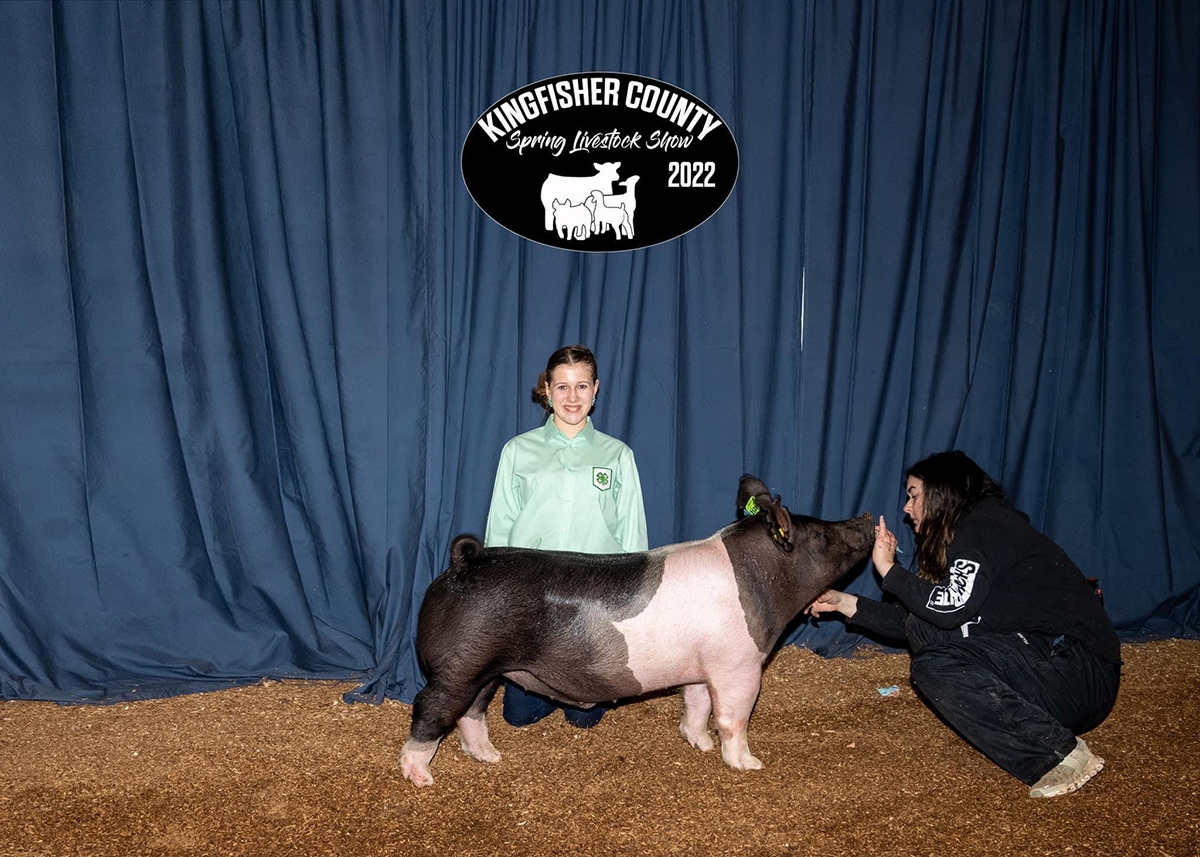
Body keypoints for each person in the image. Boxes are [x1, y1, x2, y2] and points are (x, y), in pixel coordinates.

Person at [807, 450, 1121, 798]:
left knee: (934, 665)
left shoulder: (986, 525)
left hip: (1077, 669)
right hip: (1051, 676)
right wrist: (842, 603)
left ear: (943, 492)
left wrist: (889, 571)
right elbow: (918, 621)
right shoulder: (974, 534)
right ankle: (1037, 730)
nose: (907, 509)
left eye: (913, 495)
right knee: (928, 636)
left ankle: (1059, 755)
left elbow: (950, 608)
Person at [484, 344, 648, 728]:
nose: (572, 397)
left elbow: (632, 532)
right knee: (517, 717)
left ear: (596, 389)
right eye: (562, 387)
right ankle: (547, 685)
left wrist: (631, 596)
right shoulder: (517, 451)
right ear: (547, 389)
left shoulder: (617, 455)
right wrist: (496, 590)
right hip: (534, 596)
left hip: (594, 598)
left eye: (581, 387)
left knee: (584, 718)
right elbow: (500, 525)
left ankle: (581, 691)